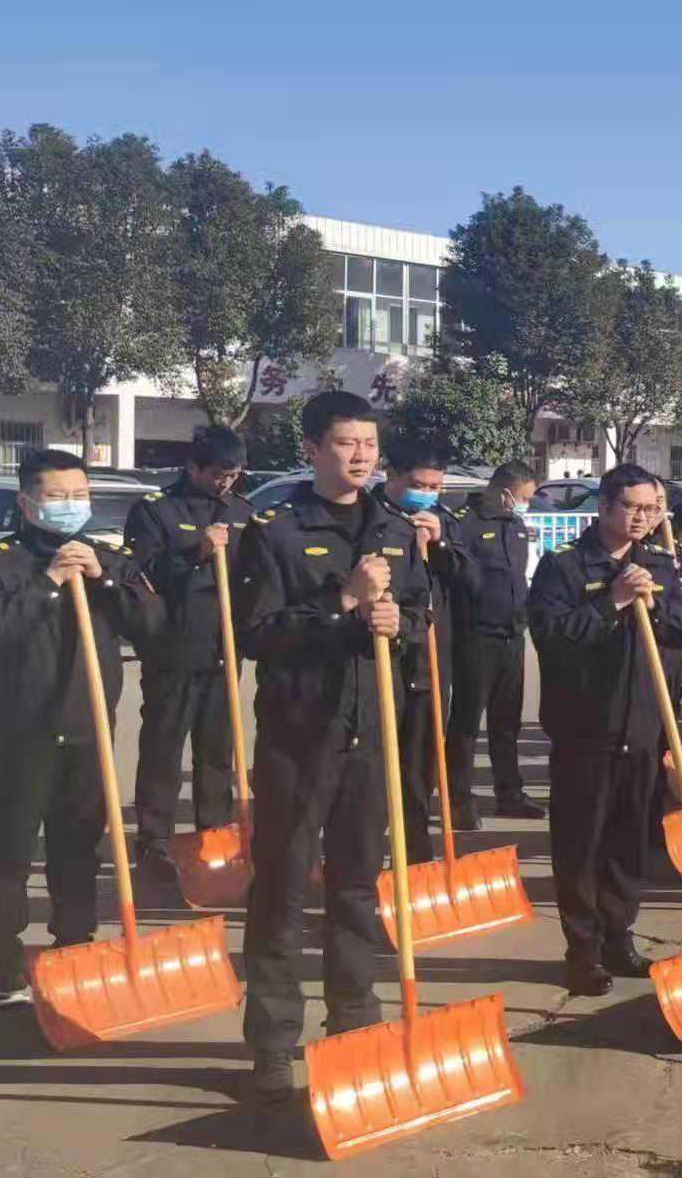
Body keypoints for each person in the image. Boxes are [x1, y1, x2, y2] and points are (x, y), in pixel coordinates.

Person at [237, 391, 431, 1107]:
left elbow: (418, 612)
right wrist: (341, 602)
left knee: (357, 886)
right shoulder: (278, 530)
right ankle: (273, 1042)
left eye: (369, 444)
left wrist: (398, 620)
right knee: (283, 888)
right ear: (313, 448)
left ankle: (354, 1021)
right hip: (297, 735)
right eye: (345, 442)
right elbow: (256, 634)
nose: (359, 455)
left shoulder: (395, 528)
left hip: (368, 734)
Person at [0, 449, 161, 1010]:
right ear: (26, 501)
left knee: (77, 851)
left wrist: (107, 582)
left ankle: (74, 950)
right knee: (9, 853)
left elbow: (152, 625)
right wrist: (49, 583)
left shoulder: (106, 559)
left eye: (79, 496)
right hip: (17, 736)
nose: (69, 506)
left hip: (86, 729)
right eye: (56, 495)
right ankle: (1, 967)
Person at [527, 464, 682, 996]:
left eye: (651, 509)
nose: (642, 518)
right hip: (587, 728)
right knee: (582, 844)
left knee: (629, 840)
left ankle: (617, 934)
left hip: (645, 725)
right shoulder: (563, 567)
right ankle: (582, 949)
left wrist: (655, 600)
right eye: (631, 507)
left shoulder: (664, 564)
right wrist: (614, 601)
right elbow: (552, 636)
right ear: (603, 507)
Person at [124, 425, 252, 900]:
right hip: (174, 649)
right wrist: (195, 553)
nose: (226, 484)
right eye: (218, 474)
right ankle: (154, 841)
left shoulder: (242, 511)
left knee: (217, 749)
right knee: (163, 747)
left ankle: (213, 834)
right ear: (193, 467)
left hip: (224, 649)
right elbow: (140, 575)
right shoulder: (156, 511)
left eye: (234, 475)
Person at [379, 439, 481, 861]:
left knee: (420, 767)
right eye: (419, 484)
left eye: (436, 486)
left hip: (431, 662)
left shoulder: (445, 521)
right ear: (392, 476)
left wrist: (441, 546)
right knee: (375, 767)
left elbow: (470, 584)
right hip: (383, 661)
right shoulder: (370, 519)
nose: (428, 493)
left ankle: (416, 857)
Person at [449, 462, 543, 824]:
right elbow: (459, 580)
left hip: (512, 635)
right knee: (467, 723)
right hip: (476, 636)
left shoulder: (516, 526)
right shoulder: (465, 523)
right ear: (505, 493)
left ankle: (510, 794)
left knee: (507, 723)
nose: (526, 505)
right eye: (524, 498)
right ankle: (459, 799)